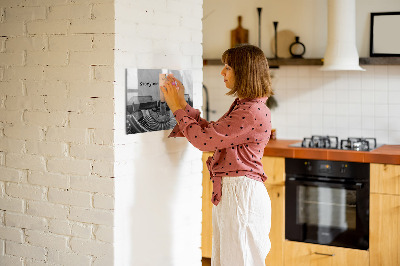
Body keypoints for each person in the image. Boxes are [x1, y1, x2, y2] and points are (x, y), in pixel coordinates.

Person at [161, 44, 273, 266]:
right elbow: (212, 133)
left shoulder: (250, 111)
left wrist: (176, 107)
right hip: (236, 193)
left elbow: (204, 141)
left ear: (244, 72)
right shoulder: (246, 106)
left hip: (241, 195)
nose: (222, 72)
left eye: (228, 67)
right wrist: (182, 104)